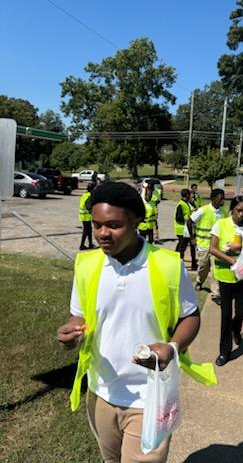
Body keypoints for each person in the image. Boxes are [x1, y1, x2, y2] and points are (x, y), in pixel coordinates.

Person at [57, 182, 216, 463]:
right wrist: (72, 331)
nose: (102, 234)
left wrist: (173, 346)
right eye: (96, 225)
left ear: (136, 222)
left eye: (113, 225)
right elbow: (79, 314)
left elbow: (190, 315)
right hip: (101, 391)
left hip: (150, 395)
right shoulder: (86, 265)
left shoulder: (167, 264)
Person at [209, 195, 243, 367]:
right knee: (226, 314)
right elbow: (212, 249)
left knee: (241, 312)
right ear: (232, 209)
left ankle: (236, 330)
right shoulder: (221, 224)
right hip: (226, 277)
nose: (241, 215)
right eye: (238, 210)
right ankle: (224, 351)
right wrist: (232, 260)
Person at [187, 189, 226, 303]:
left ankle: (215, 294)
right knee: (203, 268)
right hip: (203, 246)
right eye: (221, 198)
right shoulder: (203, 210)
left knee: (216, 271)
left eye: (223, 198)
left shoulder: (223, 212)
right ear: (213, 199)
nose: (223, 200)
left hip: (217, 248)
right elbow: (189, 221)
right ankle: (199, 281)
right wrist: (192, 237)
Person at [174, 188, 197, 270]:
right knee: (182, 248)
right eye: (189, 194)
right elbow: (178, 218)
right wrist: (186, 220)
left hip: (187, 229)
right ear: (187, 195)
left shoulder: (186, 203)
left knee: (185, 247)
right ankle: (179, 264)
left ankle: (193, 264)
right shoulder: (181, 204)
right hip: (182, 230)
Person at [79, 182, 96, 250]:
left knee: (88, 231)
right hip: (86, 216)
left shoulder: (85, 194)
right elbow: (88, 206)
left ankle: (90, 244)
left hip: (83, 215)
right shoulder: (89, 195)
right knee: (86, 231)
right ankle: (82, 245)